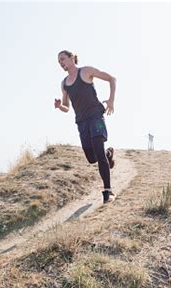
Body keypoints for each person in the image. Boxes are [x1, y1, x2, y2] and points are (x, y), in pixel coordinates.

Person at [54, 50, 117, 203]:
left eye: (62, 59)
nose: (61, 63)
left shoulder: (86, 71)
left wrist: (111, 101)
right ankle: (109, 155)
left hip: (95, 116)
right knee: (91, 158)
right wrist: (59, 106)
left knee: (99, 153)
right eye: (58, 61)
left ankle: (108, 192)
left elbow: (111, 79)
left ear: (71, 58)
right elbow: (67, 107)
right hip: (81, 122)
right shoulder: (64, 84)